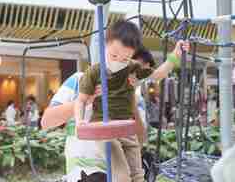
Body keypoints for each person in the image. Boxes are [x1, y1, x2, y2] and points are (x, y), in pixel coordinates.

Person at [42, 22, 189, 182]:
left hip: (119, 154)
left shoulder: (131, 82)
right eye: (113, 56)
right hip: (83, 173)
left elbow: (140, 139)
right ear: (105, 47)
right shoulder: (80, 79)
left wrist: (175, 56)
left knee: (133, 175)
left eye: (125, 58)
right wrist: (87, 102)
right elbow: (46, 121)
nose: (118, 61)